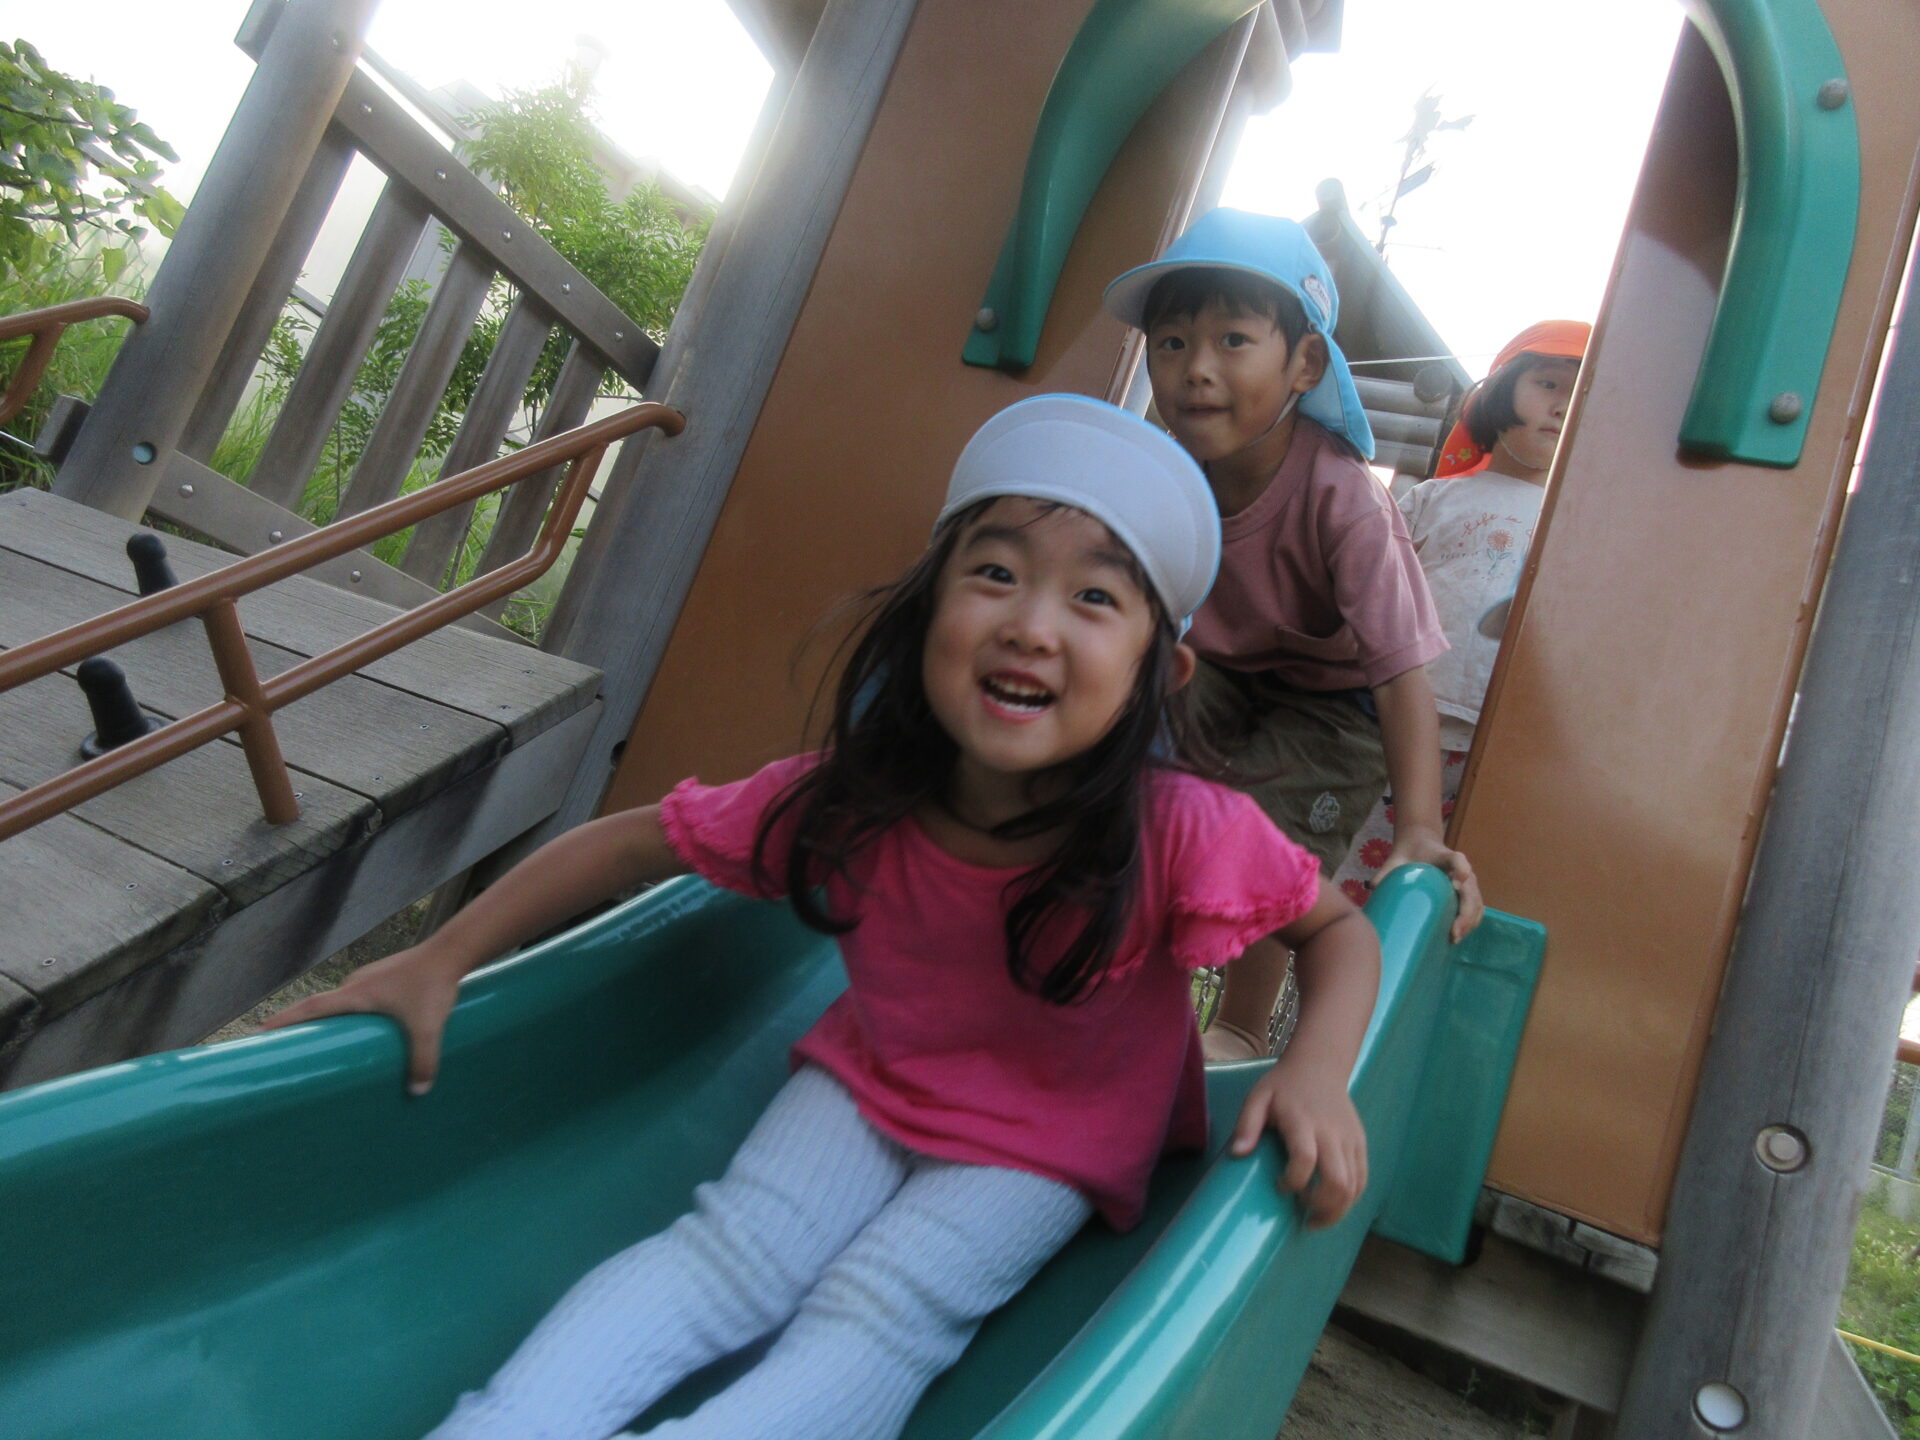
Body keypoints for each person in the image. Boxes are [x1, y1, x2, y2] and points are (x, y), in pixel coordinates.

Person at [265, 394, 1382, 1440]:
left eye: (1095, 598)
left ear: (1159, 669)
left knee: (882, 1306)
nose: (1032, 626)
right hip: (874, 1076)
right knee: (729, 1254)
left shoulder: (1179, 826)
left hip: (1054, 1137)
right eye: (995, 573)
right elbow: (634, 839)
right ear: (929, 610)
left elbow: (1337, 932)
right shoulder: (856, 800)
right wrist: (444, 958)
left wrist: (1317, 1070)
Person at [1102, 207, 1482, 1062]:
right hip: (1214, 665)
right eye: (1171, 343)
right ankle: (1109, 969)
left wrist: (1419, 828)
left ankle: (1241, 1021)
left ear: (1305, 363)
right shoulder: (1164, 470)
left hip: (1338, 697)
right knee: (1121, 762)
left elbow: (1400, 672)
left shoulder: (1343, 497)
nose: (1197, 368)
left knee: (1272, 836)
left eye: (1233, 340)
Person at [1332, 321, 1590, 905]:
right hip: (1402, 727)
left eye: (1579, 395)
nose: (1561, 406)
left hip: (1504, 748)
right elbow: (1372, 595)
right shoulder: (1434, 498)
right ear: (1497, 393)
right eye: (1548, 384)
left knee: (1452, 896)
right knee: (1358, 875)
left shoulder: (1582, 521)